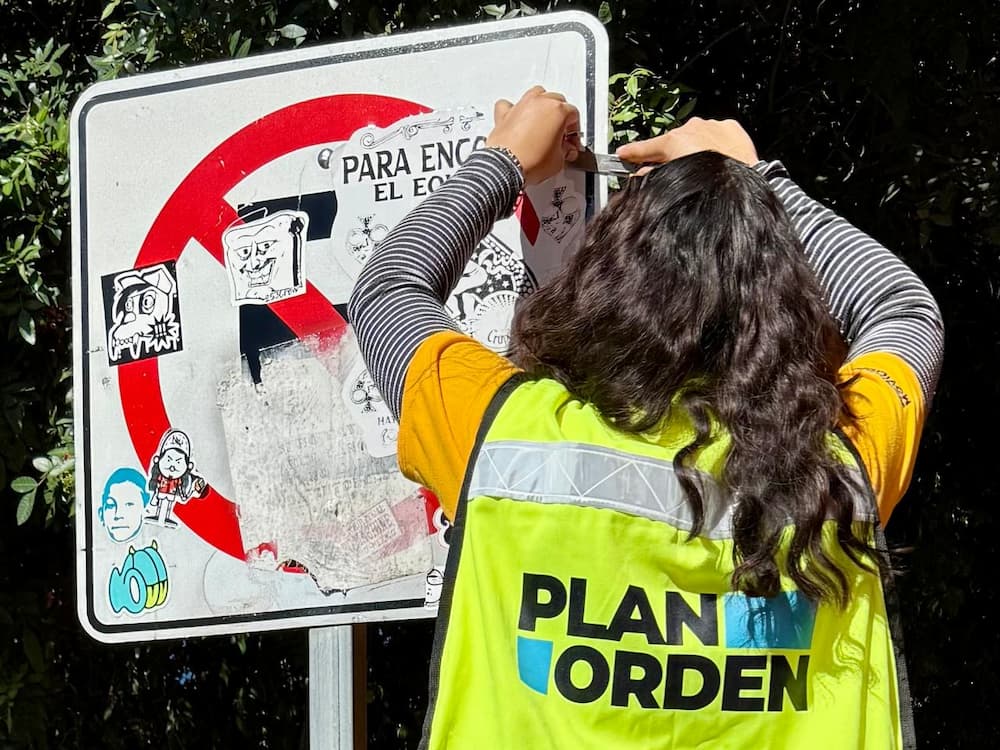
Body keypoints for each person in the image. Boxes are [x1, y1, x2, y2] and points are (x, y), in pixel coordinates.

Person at [348, 87, 943, 749]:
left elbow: (386, 293)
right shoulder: (839, 469)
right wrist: (758, 188)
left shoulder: (504, 436)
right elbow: (901, 309)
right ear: (786, 303)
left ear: (605, 281)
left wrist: (504, 160)